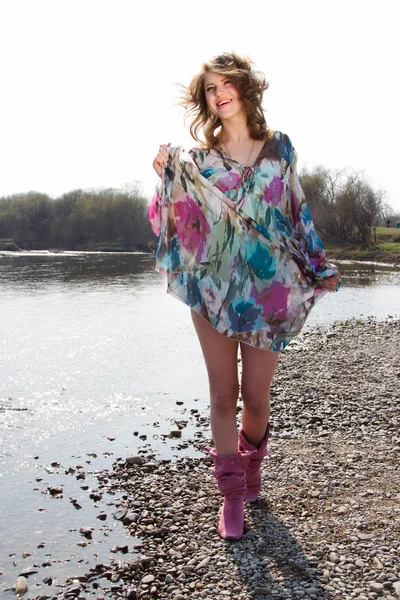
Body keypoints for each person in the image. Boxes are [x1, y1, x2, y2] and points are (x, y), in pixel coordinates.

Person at [149, 53, 341, 541]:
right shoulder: (198, 160)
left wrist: (318, 264)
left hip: (270, 287)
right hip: (213, 286)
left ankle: (253, 468)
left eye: (224, 84)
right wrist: (164, 176)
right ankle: (231, 496)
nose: (218, 94)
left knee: (256, 398)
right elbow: (178, 219)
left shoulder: (279, 148)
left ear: (244, 87)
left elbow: (296, 209)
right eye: (209, 89)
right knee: (222, 394)